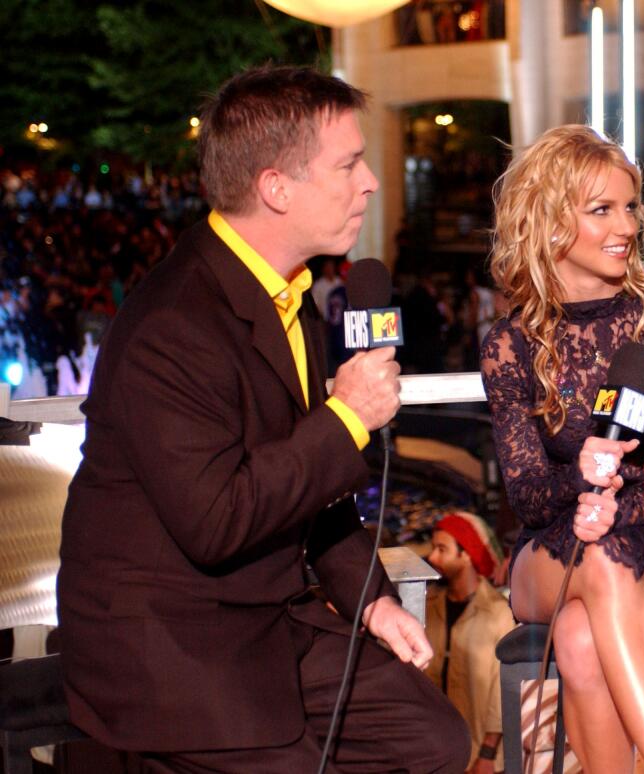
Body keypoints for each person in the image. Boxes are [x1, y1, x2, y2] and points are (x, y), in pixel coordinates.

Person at [56, 65, 469, 772]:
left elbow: (314, 493)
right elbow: (218, 522)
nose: (370, 181)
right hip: (172, 647)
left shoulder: (286, 293)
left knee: (433, 740)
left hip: (264, 620)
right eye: (349, 164)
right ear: (276, 187)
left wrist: (370, 604)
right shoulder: (174, 323)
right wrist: (346, 418)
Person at [480, 124, 644, 773]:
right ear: (551, 221)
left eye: (628, 206)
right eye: (601, 209)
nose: (626, 226)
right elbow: (528, 492)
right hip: (552, 546)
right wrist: (580, 488)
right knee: (601, 563)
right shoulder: (511, 343)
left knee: (581, 635)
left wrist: (617, 510)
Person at [424, 512, 517, 771]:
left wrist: (487, 752)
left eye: (442, 549)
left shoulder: (499, 613)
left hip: (480, 754)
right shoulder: (428, 608)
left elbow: (503, 689)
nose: (432, 558)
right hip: (436, 750)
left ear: (467, 555)